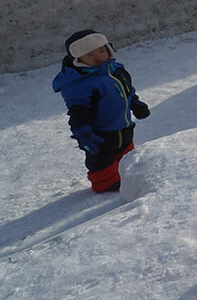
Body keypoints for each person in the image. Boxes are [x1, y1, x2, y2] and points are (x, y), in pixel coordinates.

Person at [52, 30, 151, 193]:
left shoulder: (116, 70)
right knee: (103, 169)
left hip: (124, 127)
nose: (98, 57)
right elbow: (78, 113)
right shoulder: (78, 85)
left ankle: (126, 180)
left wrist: (136, 103)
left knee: (127, 161)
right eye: (90, 55)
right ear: (78, 60)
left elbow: (127, 90)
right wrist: (84, 135)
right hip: (100, 135)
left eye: (101, 51)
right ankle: (108, 191)